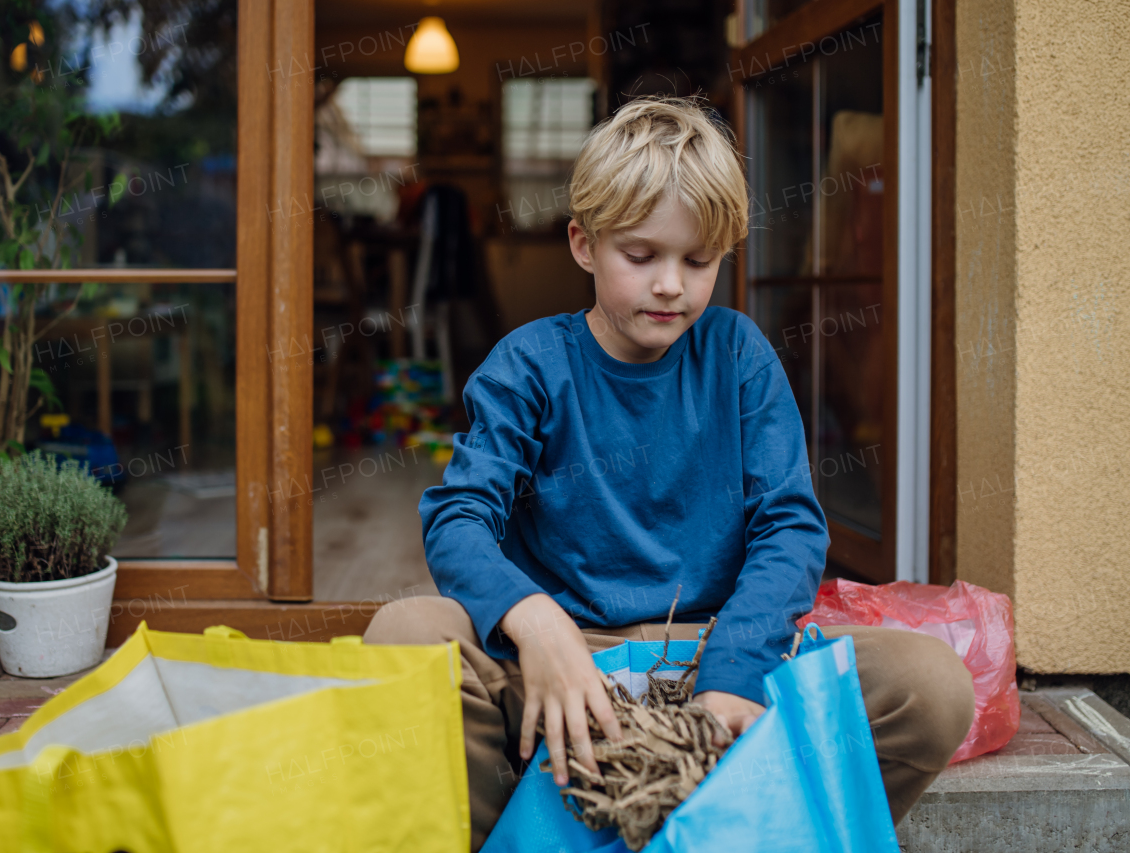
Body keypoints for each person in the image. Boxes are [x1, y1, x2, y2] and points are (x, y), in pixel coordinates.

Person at [364, 95, 974, 851]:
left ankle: (709, 820)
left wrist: (733, 674)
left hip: (711, 656)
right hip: (566, 670)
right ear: (584, 244)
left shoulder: (740, 356)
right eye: (642, 255)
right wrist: (537, 622)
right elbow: (458, 519)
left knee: (932, 684)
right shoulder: (528, 365)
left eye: (698, 260)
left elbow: (789, 527)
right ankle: (559, 820)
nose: (671, 287)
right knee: (406, 633)